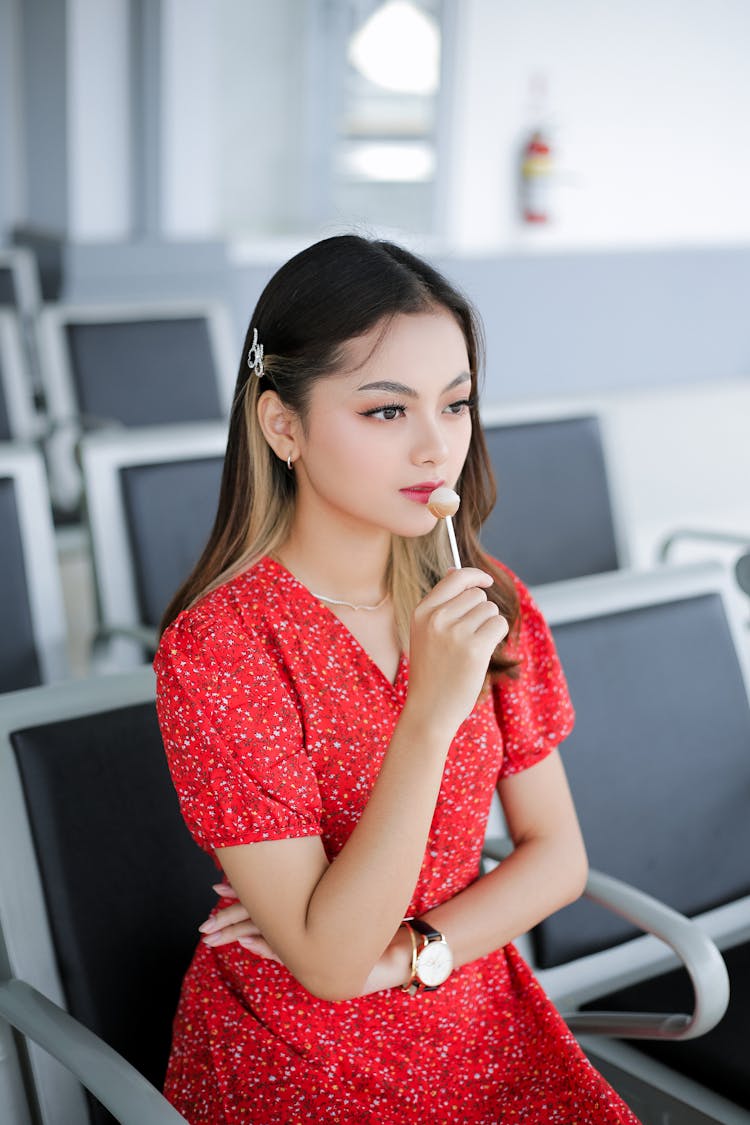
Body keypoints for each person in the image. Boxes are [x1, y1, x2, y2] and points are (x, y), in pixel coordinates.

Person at [154, 234, 641, 1124]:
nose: (435, 449)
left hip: (470, 1011)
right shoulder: (218, 647)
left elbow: (559, 856)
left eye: (455, 406)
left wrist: (414, 953)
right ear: (283, 424)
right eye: (387, 412)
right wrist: (427, 718)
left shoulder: (489, 598)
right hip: (296, 1053)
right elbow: (331, 967)